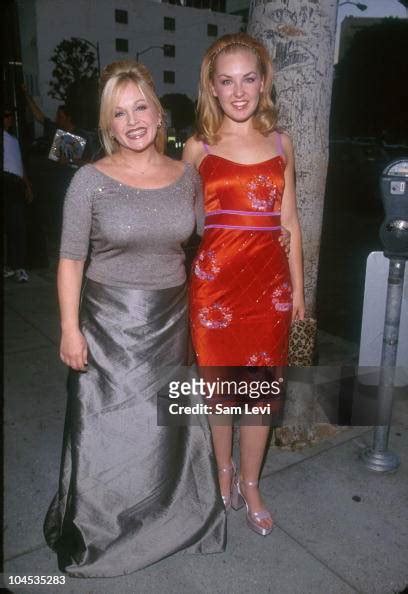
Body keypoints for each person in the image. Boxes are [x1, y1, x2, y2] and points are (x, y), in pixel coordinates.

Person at [43, 60, 225, 577]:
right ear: (108, 125)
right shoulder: (89, 182)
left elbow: (209, 242)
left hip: (171, 320)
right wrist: (69, 328)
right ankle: (103, 528)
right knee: (107, 430)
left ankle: (167, 516)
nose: (133, 120)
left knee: (164, 429)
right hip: (108, 324)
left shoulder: (187, 176)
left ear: (158, 111)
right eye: (119, 114)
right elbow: (71, 259)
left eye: (140, 106)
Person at [183, 33, 305, 537]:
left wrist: (299, 294)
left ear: (264, 81)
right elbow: (179, 223)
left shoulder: (281, 143)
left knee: (259, 398)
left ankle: (251, 482)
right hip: (214, 293)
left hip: (270, 292)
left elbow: (291, 222)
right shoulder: (197, 147)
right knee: (221, 396)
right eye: (226, 81)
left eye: (248, 79)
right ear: (211, 87)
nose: (238, 91)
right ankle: (223, 472)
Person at [3, 108, 33, 282]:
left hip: (14, 184)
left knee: (17, 225)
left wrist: (27, 185)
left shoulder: (13, 140)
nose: (10, 119)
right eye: (6, 116)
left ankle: (18, 266)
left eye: (10, 116)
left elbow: (18, 164)